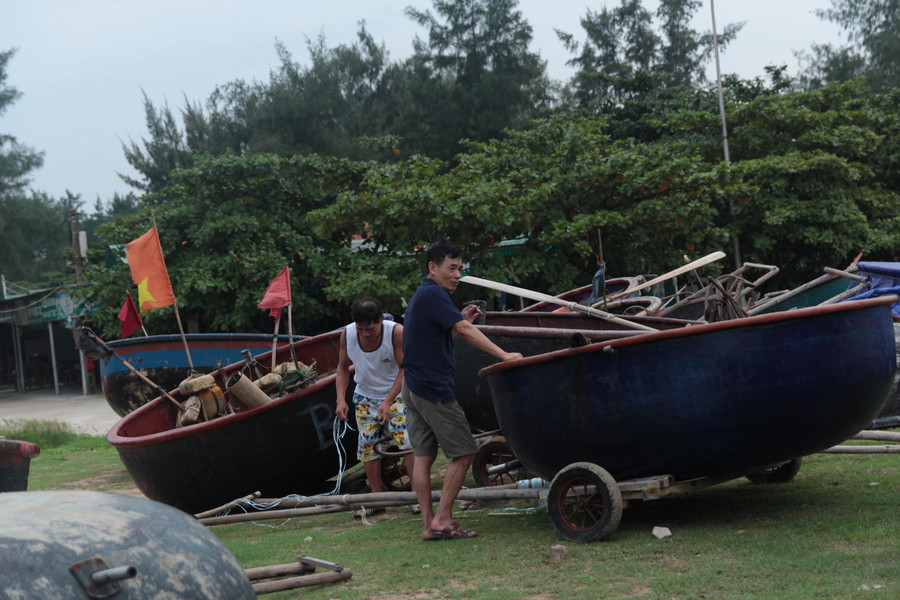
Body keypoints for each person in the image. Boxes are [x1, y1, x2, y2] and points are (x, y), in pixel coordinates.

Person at [402, 238, 523, 541]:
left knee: (423, 457)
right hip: (433, 389)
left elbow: (442, 333)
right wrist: (505, 355)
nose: (457, 274)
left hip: (413, 386)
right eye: (451, 268)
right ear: (433, 267)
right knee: (465, 451)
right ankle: (443, 519)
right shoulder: (434, 294)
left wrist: (459, 320)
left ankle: (429, 525)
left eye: (460, 268)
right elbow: (465, 331)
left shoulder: (424, 295)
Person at [335, 297, 418, 518]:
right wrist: (340, 400)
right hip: (365, 396)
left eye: (370, 328)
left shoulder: (395, 332)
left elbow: (405, 369)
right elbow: (342, 368)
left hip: (396, 394)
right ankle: (377, 499)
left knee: (406, 442)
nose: (365, 333)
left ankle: (417, 496)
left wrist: (389, 401)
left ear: (381, 320)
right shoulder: (348, 334)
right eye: (361, 329)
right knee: (367, 446)